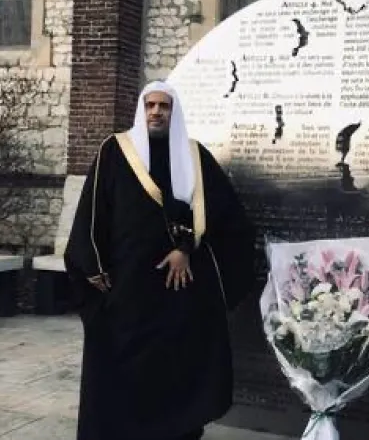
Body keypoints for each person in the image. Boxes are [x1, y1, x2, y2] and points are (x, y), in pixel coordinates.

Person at [64, 80, 257, 440]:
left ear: (174, 112)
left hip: (180, 294)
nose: (156, 112)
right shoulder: (115, 151)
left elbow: (225, 216)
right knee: (126, 371)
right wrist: (90, 265)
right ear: (141, 109)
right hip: (130, 291)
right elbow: (93, 212)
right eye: (150, 105)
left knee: (177, 369)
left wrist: (185, 248)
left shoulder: (195, 156)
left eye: (164, 106)